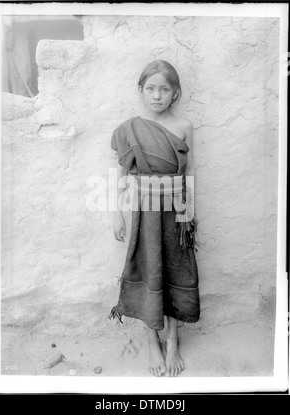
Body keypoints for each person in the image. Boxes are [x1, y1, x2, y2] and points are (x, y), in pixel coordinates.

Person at [109, 60, 200, 377]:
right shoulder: (129, 128)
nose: (157, 95)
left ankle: (173, 338)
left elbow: (189, 171)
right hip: (145, 212)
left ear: (174, 93)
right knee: (149, 270)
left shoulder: (184, 126)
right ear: (141, 91)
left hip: (176, 211)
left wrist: (189, 212)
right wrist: (117, 213)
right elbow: (121, 175)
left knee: (177, 269)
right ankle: (151, 339)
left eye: (164, 89)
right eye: (151, 88)